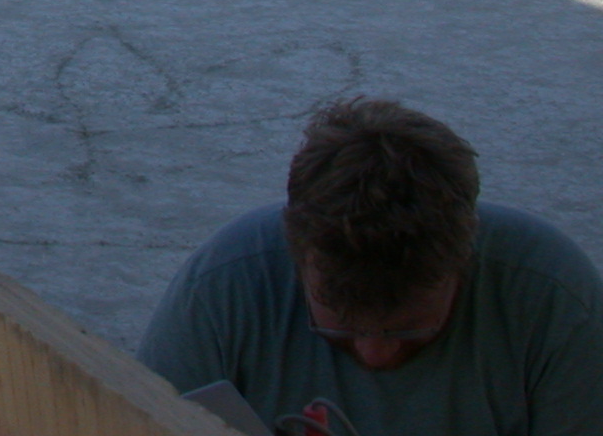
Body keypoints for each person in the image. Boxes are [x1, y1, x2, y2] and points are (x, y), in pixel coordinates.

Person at [138, 97, 603, 434]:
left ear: (466, 258)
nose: (375, 354)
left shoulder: (555, 299)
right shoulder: (225, 285)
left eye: (409, 330)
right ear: (296, 255)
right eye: (340, 329)